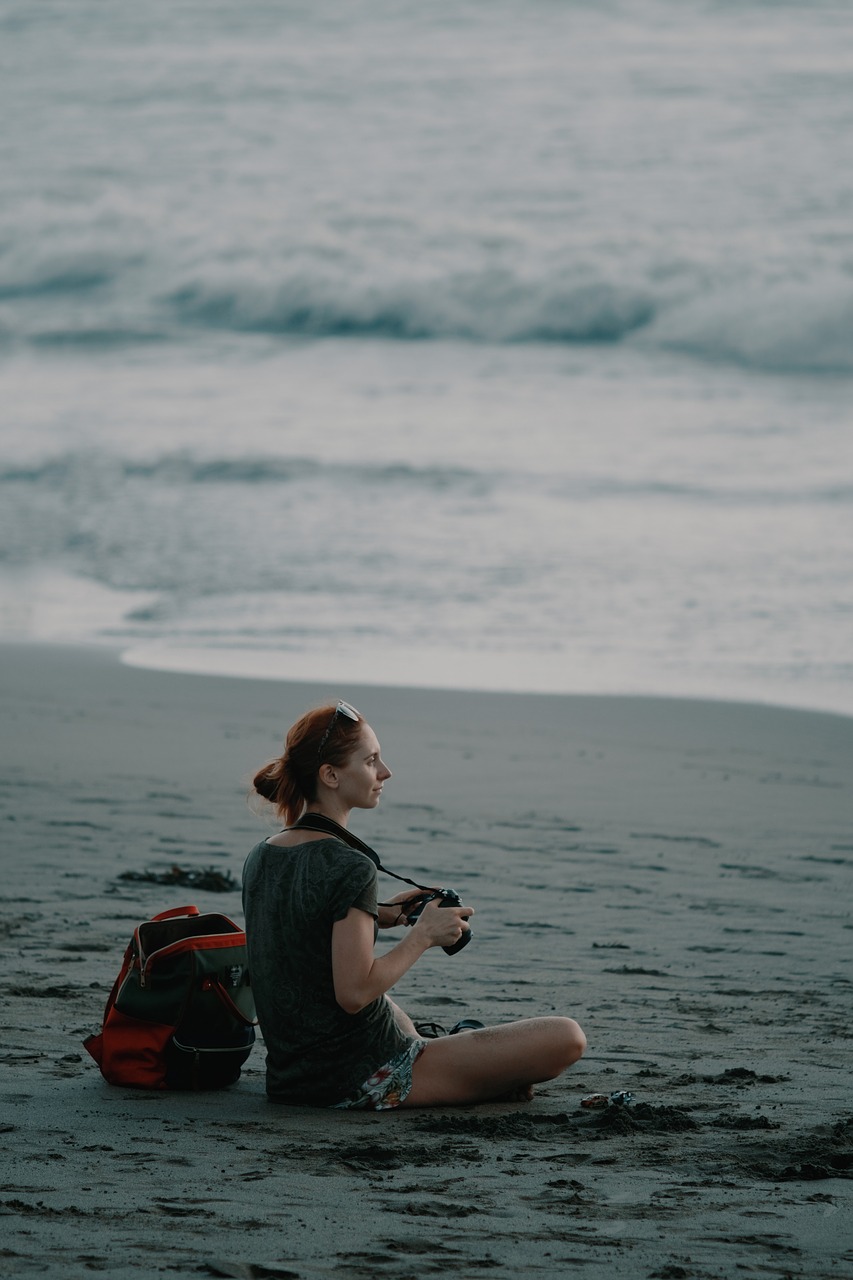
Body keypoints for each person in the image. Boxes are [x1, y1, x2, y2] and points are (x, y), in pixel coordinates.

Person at [243, 700, 586, 1109]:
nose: (385, 772)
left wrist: (382, 914)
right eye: (371, 761)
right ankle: (477, 1076)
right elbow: (354, 993)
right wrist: (423, 936)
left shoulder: (262, 855)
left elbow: (299, 934)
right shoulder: (350, 866)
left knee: (399, 1019)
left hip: (292, 1079)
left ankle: (469, 1068)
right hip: (360, 1078)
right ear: (330, 775)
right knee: (566, 1036)